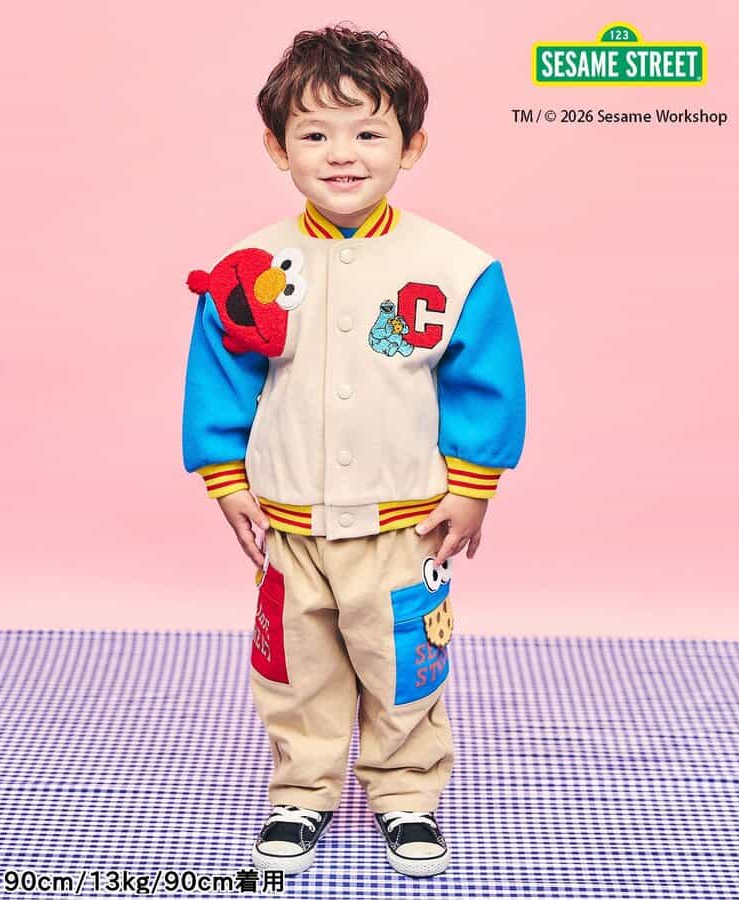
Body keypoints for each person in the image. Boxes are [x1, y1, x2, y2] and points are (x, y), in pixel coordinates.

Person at [181, 23, 526, 878]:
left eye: (369, 132)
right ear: (277, 147)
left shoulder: (456, 267)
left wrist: (473, 486)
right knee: (293, 668)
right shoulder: (246, 266)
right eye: (314, 134)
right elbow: (218, 380)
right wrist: (226, 479)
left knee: (405, 663)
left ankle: (406, 792)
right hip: (289, 520)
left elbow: (485, 384)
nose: (342, 154)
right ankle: (302, 791)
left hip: (404, 522)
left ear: (411, 146)